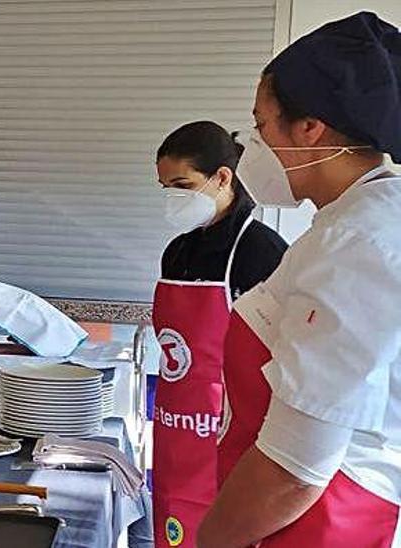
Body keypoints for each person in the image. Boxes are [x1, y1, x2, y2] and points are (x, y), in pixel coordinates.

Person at [198, 12, 401, 547]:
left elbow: (294, 468)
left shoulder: (357, 245)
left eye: (261, 126)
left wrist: (214, 539)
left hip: (322, 518)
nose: (252, 146)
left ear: (310, 128)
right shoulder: (351, 225)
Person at [149, 121, 287, 548]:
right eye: (164, 187)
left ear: (222, 177)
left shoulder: (260, 250)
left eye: (181, 184)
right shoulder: (178, 251)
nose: (172, 197)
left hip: (230, 435)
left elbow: (280, 354)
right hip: (175, 427)